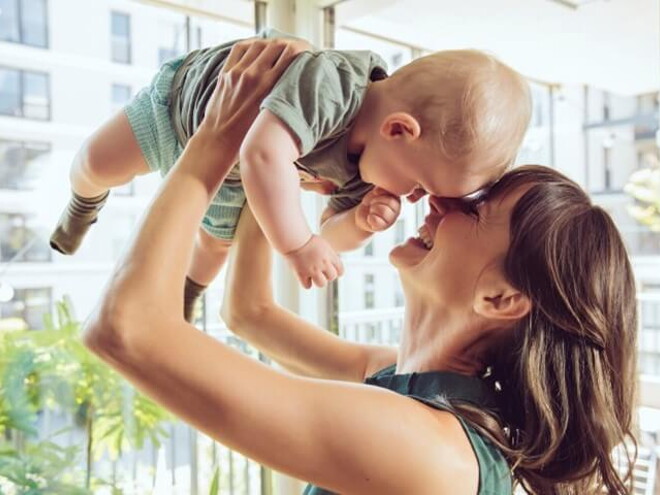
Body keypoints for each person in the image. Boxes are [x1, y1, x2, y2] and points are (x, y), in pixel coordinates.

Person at [82, 40, 637, 494]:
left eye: (475, 208)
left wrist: (214, 139)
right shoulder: (411, 386)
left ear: (499, 298)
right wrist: (281, 141)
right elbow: (249, 313)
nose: (436, 204)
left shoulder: (428, 448)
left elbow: (125, 329)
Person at [50, 29, 531, 321]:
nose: (410, 198)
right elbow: (264, 153)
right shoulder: (334, 85)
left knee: (216, 245)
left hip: (231, 175)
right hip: (183, 112)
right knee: (97, 163)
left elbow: (328, 233)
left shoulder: (371, 171)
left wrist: (358, 224)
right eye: (420, 185)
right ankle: (82, 203)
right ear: (400, 129)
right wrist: (296, 246)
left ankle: (188, 293)